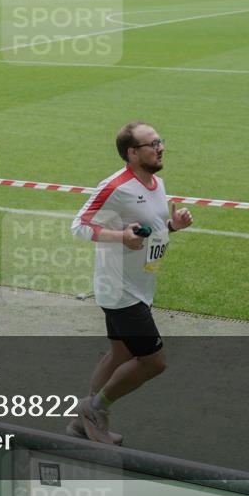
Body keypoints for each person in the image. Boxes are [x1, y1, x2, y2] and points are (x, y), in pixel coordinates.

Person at [69, 121, 192, 445]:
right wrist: (119, 236)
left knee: (120, 355)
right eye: (152, 144)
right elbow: (79, 226)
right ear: (132, 153)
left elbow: (149, 229)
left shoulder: (157, 183)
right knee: (154, 361)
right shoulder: (116, 186)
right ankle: (95, 409)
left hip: (140, 284)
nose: (161, 147)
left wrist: (172, 226)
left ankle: (85, 421)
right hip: (119, 290)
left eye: (160, 141)